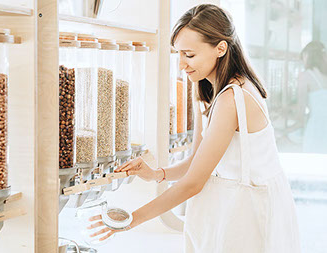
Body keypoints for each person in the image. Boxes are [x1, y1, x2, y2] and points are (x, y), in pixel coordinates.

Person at [88, 4, 301, 252]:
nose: (181, 64)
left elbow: (194, 183)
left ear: (221, 48)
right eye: (178, 54)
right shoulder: (207, 89)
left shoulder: (233, 97)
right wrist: (158, 174)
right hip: (229, 208)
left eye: (189, 55)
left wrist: (132, 219)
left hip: (250, 211)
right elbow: (196, 161)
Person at [297, 41, 327, 153]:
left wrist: (283, 132)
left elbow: (300, 116)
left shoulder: (305, 76)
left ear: (307, 56)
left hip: (316, 130)